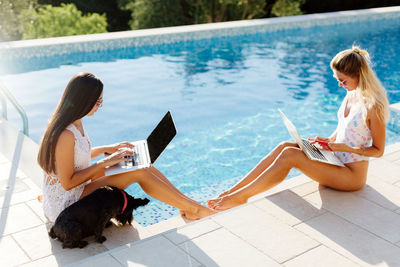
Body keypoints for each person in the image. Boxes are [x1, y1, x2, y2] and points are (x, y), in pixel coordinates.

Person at [207, 46, 389, 211]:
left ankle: (240, 198)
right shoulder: (351, 93)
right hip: (336, 160)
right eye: (338, 80)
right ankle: (230, 192)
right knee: (285, 145)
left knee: (289, 155)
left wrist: (344, 148)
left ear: (358, 74)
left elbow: (378, 151)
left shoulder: (374, 106)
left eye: (343, 81)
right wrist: (329, 140)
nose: (340, 85)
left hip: (352, 175)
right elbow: (345, 129)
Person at [38, 72, 216, 222]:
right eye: (97, 102)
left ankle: (187, 205)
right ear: (83, 101)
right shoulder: (65, 134)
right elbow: (68, 183)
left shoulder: (76, 122)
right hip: (65, 203)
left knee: (139, 162)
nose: (100, 106)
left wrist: (109, 148)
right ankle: (195, 209)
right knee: (138, 172)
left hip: (78, 187)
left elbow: (75, 158)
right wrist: (104, 163)